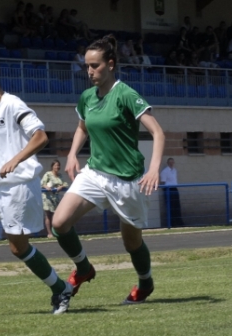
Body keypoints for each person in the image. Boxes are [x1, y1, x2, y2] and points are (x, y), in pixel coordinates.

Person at [0, 55, 72, 314]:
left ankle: (60, 288)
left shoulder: (13, 105)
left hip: (18, 188)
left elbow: (40, 137)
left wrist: (16, 159)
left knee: (18, 248)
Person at [51, 35, 165, 304]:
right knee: (59, 222)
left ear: (110, 64)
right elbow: (82, 127)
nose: (90, 71)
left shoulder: (125, 94)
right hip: (95, 173)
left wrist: (154, 169)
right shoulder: (87, 97)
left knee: (131, 243)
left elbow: (158, 132)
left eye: (95, 65)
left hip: (127, 180)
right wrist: (71, 154)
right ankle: (84, 268)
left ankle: (145, 283)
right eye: (87, 66)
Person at [41, 160, 68, 238]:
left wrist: (61, 186)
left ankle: (56, 231)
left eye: (58, 165)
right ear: (52, 166)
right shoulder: (48, 174)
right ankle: (49, 233)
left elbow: (65, 183)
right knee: (48, 215)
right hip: (47, 197)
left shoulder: (60, 175)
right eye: (56, 165)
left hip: (55, 197)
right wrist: (47, 187)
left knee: (56, 214)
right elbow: (43, 183)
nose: (57, 167)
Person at [160, 158, 184, 227]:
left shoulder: (174, 170)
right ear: (168, 163)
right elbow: (163, 182)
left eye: (172, 162)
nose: (171, 164)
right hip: (168, 189)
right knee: (170, 207)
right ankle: (171, 223)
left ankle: (178, 222)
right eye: (170, 162)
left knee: (177, 206)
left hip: (174, 188)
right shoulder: (165, 171)